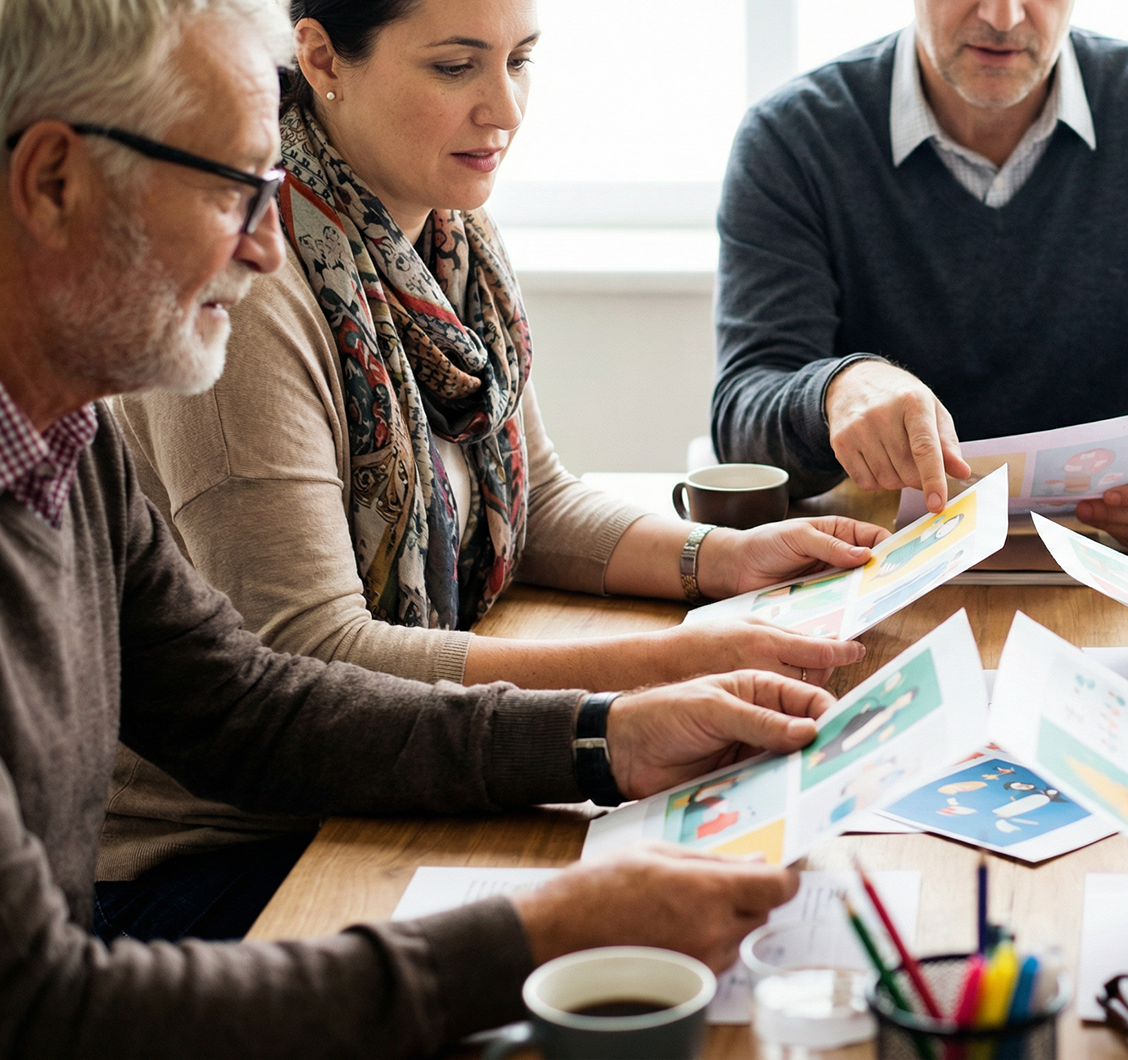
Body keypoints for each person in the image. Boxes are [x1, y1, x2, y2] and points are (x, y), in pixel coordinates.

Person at [0, 0, 830, 1053]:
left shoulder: (68, 440)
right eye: (227, 189)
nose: (264, 248)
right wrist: (528, 938)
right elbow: (43, 1007)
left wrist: (603, 738)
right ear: (54, 183)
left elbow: (247, 706)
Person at [711, 0, 1128, 557]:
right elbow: (742, 410)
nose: (1003, 17)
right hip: (877, 556)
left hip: (1110, 555)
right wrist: (836, 390)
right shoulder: (792, 136)